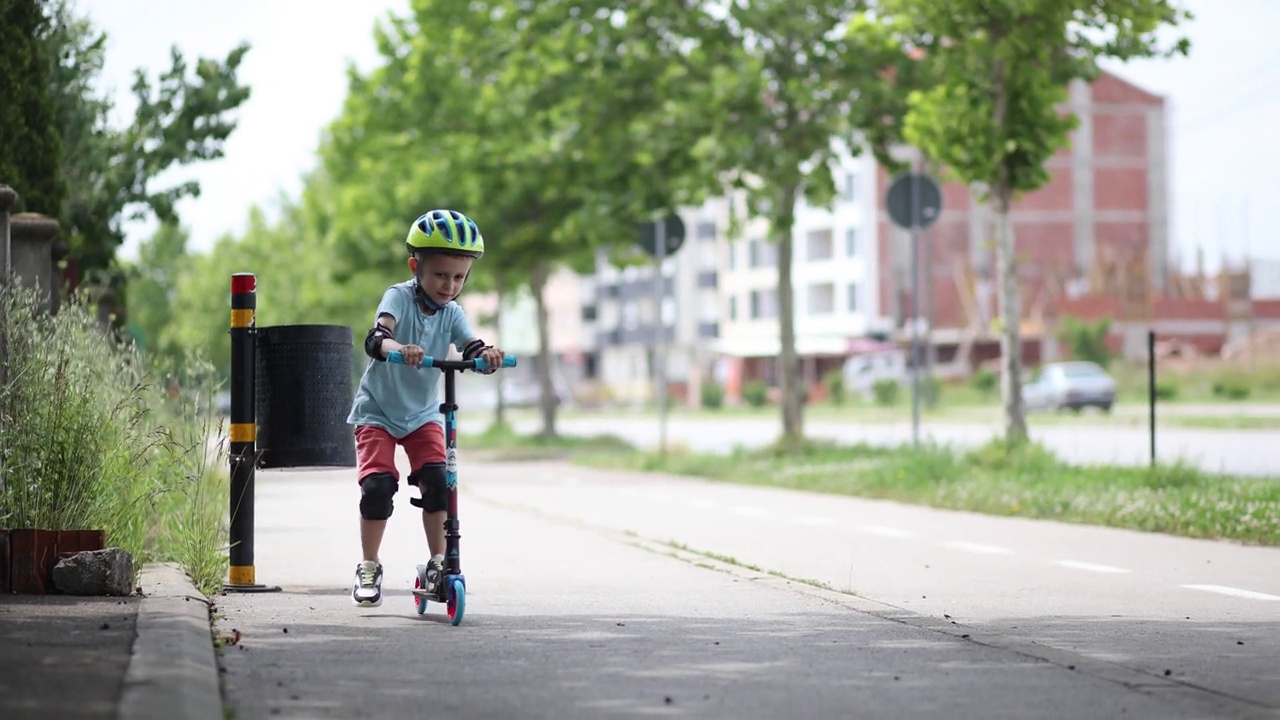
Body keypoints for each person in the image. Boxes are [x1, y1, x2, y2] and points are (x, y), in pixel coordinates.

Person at [346, 209, 505, 607]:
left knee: (438, 479)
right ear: (416, 266)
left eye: (459, 278)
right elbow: (378, 336)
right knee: (378, 487)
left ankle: (438, 561)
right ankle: (369, 565)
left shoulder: (452, 312)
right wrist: (400, 349)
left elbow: (468, 344)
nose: (449, 285)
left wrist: (485, 354)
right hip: (377, 411)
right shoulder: (398, 297)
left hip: (421, 414)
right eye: (440, 275)